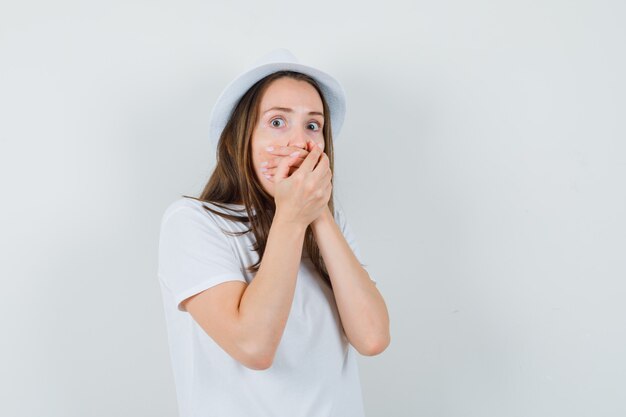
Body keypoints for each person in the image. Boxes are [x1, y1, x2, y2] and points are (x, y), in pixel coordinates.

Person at [157, 48, 390, 417]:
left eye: (313, 125)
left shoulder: (327, 226)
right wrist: (294, 216)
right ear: (241, 137)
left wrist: (319, 215)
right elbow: (254, 346)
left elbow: (373, 337)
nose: (298, 141)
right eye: (278, 122)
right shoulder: (193, 222)